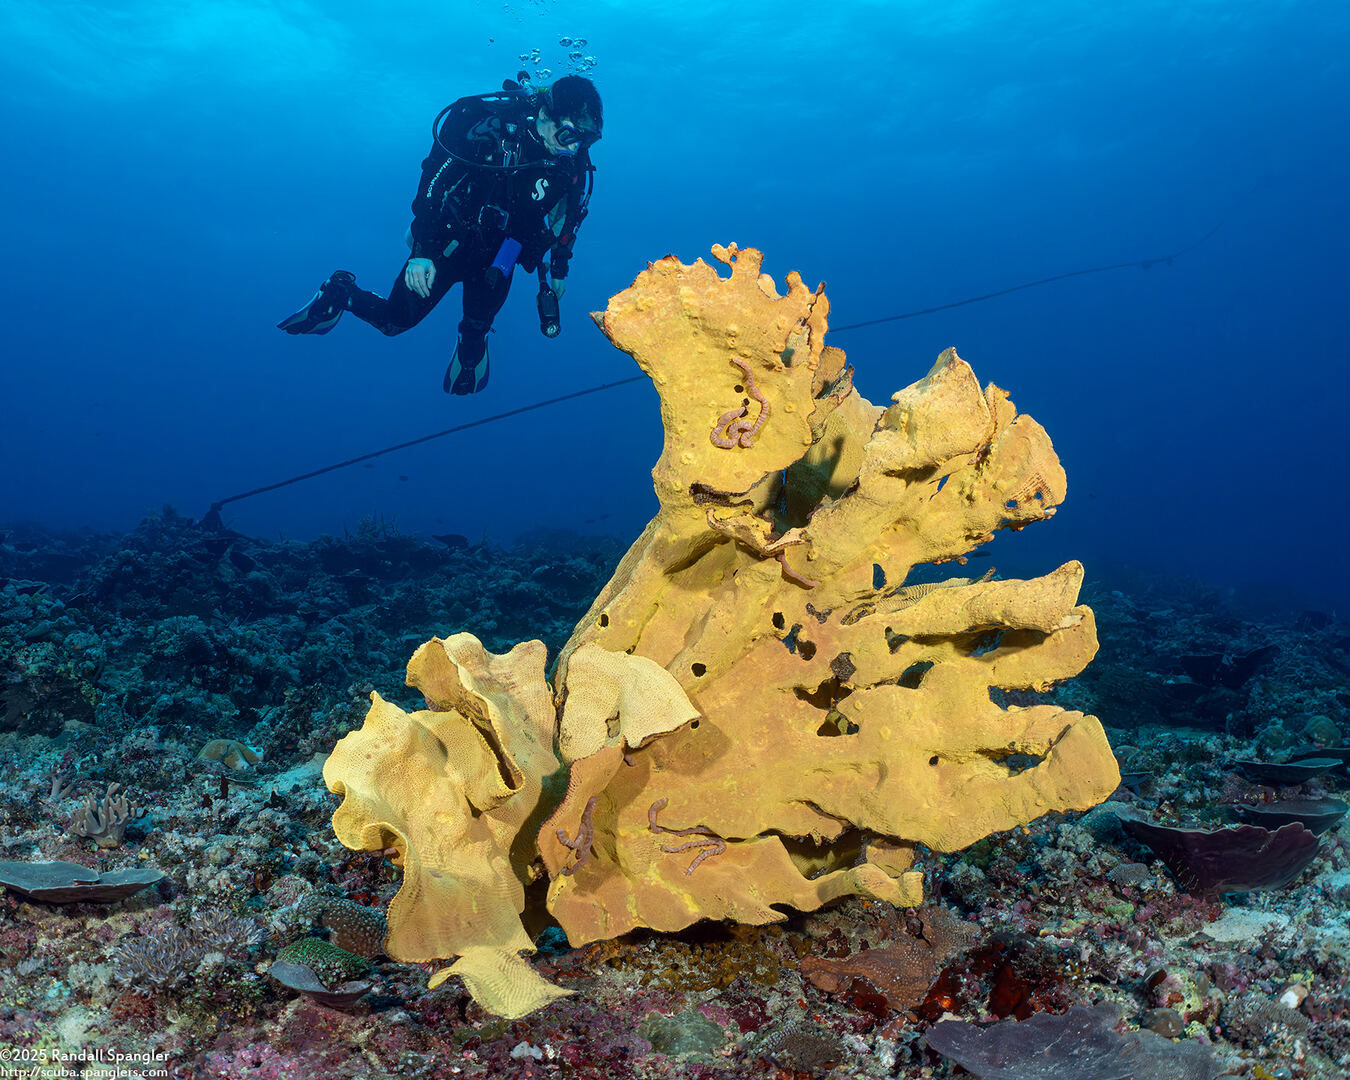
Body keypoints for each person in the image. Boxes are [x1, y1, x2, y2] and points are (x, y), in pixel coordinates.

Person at [277, 74, 602, 395]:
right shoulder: (491, 131)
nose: (573, 149)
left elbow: (571, 218)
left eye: (583, 140)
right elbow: (434, 184)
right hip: (446, 244)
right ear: (545, 115)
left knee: (477, 327)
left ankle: (472, 344)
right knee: (393, 322)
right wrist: (421, 250)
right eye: (567, 135)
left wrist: (559, 269)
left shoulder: (571, 163)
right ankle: (338, 292)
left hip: (501, 256)